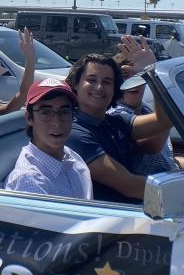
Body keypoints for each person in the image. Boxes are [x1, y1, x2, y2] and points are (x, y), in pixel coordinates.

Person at [64, 37, 173, 203]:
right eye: (91, 80)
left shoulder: (115, 121)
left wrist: (152, 72)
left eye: (107, 82)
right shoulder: (74, 132)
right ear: (76, 84)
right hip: (114, 220)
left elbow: (163, 120)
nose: (99, 87)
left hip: (140, 210)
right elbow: (130, 186)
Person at [5, 78, 92, 199]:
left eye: (64, 111)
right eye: (45, 112)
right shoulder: (29, 181)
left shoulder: (72, 156)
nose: (56, 122)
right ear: (29, 118)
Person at [107, 60, 180, 176]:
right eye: (125, 76)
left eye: (137, 75)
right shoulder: (115, 115)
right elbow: (153, 145)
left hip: (170, 179)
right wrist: (154, 72)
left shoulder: (146, 110)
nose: (133, 82)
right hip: (149, 190)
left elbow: (167, 161)